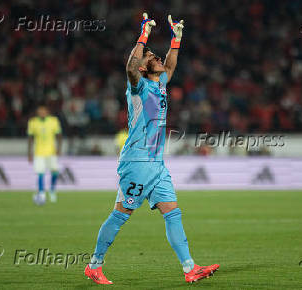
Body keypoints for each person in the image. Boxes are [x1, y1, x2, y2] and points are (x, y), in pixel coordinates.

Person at [85, 13, 219, 284]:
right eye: (151, 57)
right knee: (121, 214)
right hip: (136, 162)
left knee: (173, 212)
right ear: (144, 68)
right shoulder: (137, 87)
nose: (157, 58)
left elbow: (169, 66)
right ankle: (94, 265)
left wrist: (176, 40)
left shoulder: (159, 83)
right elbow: (130, 69)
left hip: (157, 164)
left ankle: (190, 268)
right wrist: (143, 35)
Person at [27, 105, 62, 204]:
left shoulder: (54, 121)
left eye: (43, 111)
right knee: (40, 172)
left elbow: (59, 135)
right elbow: (30, 138)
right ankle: (41, 193)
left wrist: (59, 149)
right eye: (40, 111)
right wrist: (29, 153)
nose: (42, 113)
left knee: (55, 172)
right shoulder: (32, 122)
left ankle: (52, 190)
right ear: (37, 112)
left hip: (51, 151)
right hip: (38, 152)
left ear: (47, 112)